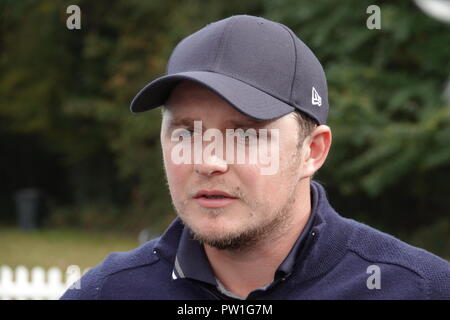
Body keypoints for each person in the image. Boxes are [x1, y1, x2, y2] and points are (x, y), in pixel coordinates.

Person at [61, 14, 450, 300]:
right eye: (187, 132)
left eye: (244, 135)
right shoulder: (105, 292)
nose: (209, 161)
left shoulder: (418, 289)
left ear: (312, 151)